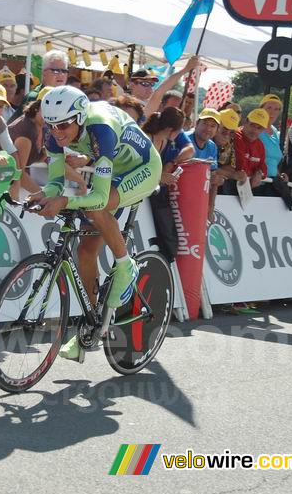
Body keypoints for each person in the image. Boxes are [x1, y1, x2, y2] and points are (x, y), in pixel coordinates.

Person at [28, 86, 162, 362]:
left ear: (80, 117)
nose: (56, 132)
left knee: (97, 206)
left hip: (143, 169)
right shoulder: (55, 134)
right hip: (114, 170)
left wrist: (64, 201)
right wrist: (44, 194)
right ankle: (89, 325)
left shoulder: (101, 128)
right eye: (51, 125)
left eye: (63, 125)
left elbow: (99, 197)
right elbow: (55, 183)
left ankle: (125, 266)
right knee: (85, 251)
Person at [142, 107, 189, 263]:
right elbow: (139, 171)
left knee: (168, 231)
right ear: (170, 129)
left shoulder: (165, 141)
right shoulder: (146, 139)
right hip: (139, 193)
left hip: (154, 193)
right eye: (178, 130)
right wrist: (160, 178)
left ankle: (167, 258)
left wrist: (163, 177)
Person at [233, 108, 269, 191]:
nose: (254, 130)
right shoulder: (235, 136)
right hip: (230, 186)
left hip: (247, 189)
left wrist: (259, 173)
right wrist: (255, 174)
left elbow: (264, 169)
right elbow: (240, 166)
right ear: (245, 121)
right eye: (252, 125)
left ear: (263, 130)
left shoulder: (260, 145)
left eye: (259, 128)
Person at [258, 94, 285, 177]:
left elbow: (272, 162)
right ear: (261, 109)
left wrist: (279, 176)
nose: (272, 112)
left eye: (276, 109)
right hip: (255, 181)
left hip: (271, 181)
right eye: (269, 108)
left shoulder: (275, 131)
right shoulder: (254, 128)